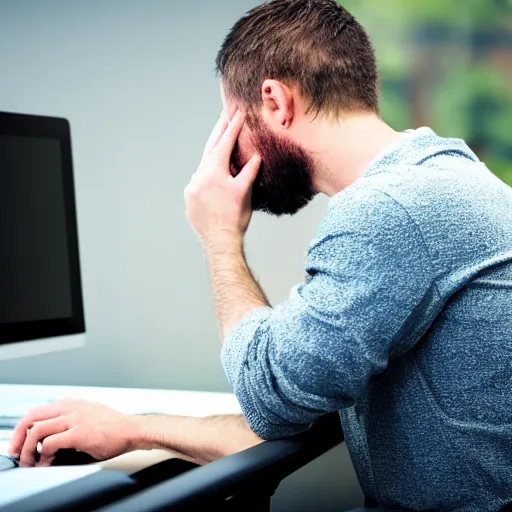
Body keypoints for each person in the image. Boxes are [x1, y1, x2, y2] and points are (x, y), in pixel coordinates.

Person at [9, 0, 512, 509]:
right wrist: (134, 429)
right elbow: (295, 403)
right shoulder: (442, 176)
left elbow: (269, 399)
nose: (226, 152)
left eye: (232, 122)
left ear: (274, 101)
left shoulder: (390, 209)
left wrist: (219, 236)